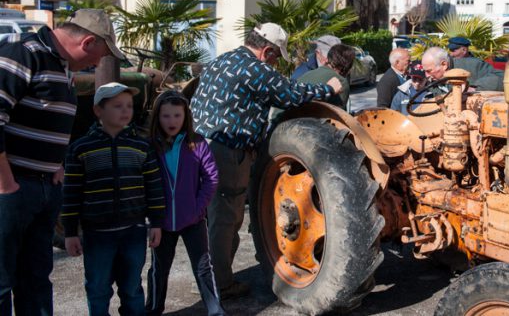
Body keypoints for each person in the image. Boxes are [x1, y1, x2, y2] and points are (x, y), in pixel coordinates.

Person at [191, 23, 342, 299]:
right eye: (275, 57)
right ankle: (219, 285)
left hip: (201, 147)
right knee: (226, 218)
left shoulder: (222, 59)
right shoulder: (255, 68)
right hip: (226, 151)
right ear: (267, 50)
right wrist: (328, 88)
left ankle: (212, 278)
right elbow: (291, 94)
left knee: (212, 216)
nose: (274, 62)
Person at [0, 8, 121, 316]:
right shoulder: (24, 52)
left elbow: (46, 119)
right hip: (13, 189)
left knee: (36, 279)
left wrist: (56, 162)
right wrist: (6, 183)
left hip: (41, 188)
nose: (97, 64)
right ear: (88, 41)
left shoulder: (61, 64)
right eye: (101, 55)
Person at [62, 82, 166, 316]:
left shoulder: (142, 146)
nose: (125, 110)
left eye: (129, 105)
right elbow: (71, 193)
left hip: (134, 231)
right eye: (117, 106)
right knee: (98, 288)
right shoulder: (81, 149)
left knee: (132, 288)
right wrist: (70, 232)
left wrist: (156, 223)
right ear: (99, 110)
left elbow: (154, 187)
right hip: (97, 235)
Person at [145, 91, 225, 316]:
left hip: (193, 220)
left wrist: (198, 208)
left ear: (186, 116)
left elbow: (211, 177)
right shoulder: (151, 146)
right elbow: (146, 183)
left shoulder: (196, 143)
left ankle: (215, 309)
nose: (172, 121)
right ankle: (153, 309)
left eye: (177, 116)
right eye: (166, 116)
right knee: (159, 269)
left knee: (203, 267)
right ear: (157, 117)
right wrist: (153, 218)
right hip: (161, 223)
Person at [298, 44, 356, 109]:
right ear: (348, 66)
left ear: (328, 58)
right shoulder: (341, 82)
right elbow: (339, 115)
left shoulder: (307, 74)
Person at [421, 46, 503, 91]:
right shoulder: (432, 82)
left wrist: (474, 88)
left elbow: (503, 78)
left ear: (444, 64)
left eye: (429, 71)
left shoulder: (473, 66)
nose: (427, 75)